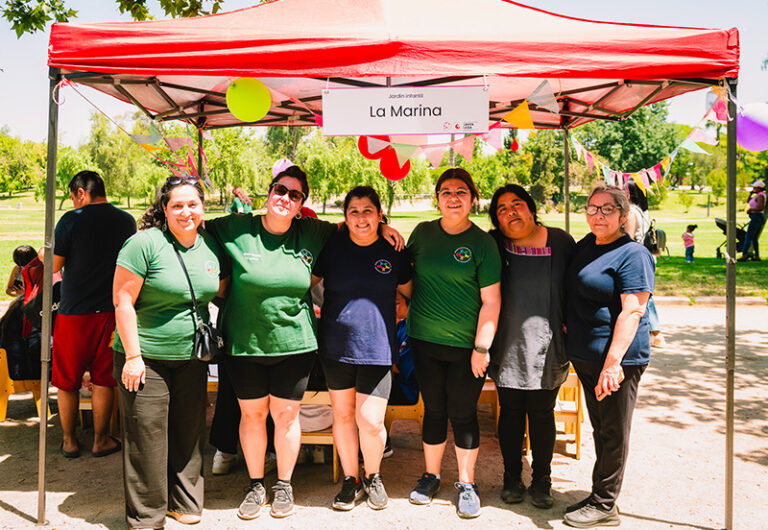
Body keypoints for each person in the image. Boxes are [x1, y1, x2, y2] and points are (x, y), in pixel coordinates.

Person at [206, 166, 404, 520]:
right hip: (246, 343)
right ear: (268, 192)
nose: (285, 198)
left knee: (295, 417)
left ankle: (292, 484)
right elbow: (197, 230)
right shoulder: (237, 227)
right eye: (281, 190)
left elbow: (356, 231)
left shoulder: (312, 232)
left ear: (302, 204)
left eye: (295, 195)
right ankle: (259, 485)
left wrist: (382, 226)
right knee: (255, 417)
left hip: (298, 345)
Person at [113, 176, 226, 529]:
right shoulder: (144, 244)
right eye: (177, 205)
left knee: (189, 432)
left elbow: (218, 290)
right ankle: (146, 516)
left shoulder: (210, 245)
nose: (185, 211)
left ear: (203, 208)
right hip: (146, 358)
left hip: (191, 358)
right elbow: (122, 301)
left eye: (192, 204)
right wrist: (133, 357)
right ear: (164, 209)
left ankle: (185, 503)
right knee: (147, 436)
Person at [403, 168, 501, 519]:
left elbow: (491, 301)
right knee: (433, 411)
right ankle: (430, 476)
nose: (454, 197)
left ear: (473, 197)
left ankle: (466, 483)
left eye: (461, 191)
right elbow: (402, 266)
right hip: (423, 340)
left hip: (466, 348)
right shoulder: (423, 233)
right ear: (438, 197)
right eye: (446, 191)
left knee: (462, 414)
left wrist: (481, 348)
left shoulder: (482, 243)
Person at [311, 186, 413, 512]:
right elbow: (308, 283)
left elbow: (410, 293)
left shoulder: (394, 249)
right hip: (335, 347)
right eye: (353, 211)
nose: (361, 218)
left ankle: (373, 476)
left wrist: (401, 310)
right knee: (342, 416)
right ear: (345, 217)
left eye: (368, 210)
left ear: (379, 214)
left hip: (378, 346)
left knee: (369, 420)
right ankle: (351, 480)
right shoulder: (332, 247)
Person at [563, 184, 654, 529]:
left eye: (607, 209)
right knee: (601, 429)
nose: (598, 215)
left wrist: (613, 363)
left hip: (617, 362)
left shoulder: (633, 255)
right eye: (592, 208)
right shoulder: (586, 245)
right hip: (587, 358)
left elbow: (632, 312)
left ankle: (604, 504)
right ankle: (600, 492)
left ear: (623, 215)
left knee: (613, 431)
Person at [487, 184, 575, 509]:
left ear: (531, 207)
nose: (511, 211)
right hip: (507, 344)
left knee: (541, 414)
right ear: (497, 220)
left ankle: (542, 480)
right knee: (510, 413)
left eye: (517, 204)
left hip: (549, 344)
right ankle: (511, 477)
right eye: (502, 209)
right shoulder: (494, 245)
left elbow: (576, 287)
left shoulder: (561, 242)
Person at [50, 170, 136, 459]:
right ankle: (101, 440)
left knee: (66, 381)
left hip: (73, 313)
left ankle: (69, 440)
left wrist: (42, 255)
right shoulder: (125, 221)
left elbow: (53, 265)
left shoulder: (71, 220)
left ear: (80, 193)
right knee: (103, 379)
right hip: (112, 310)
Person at [624, 181, 664, 348]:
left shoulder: (632, 212)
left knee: (643, 297)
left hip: (636, 259)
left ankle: (656, 333)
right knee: (644, 295)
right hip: (647, 256)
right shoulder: (643, 210)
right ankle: (653, 332)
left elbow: (628, 238)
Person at [738, 179, 766, 261]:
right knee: (754, 238)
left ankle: (744, 255)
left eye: (755, 187)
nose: (753, 189)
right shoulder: (758, 195)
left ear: (759, 188)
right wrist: (750, 194)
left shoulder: (761, 196)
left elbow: (761, 207)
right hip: (756, 217)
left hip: (757, 217)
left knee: (748, 236)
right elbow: (748, 201)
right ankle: (756, 256)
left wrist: (751, 210)